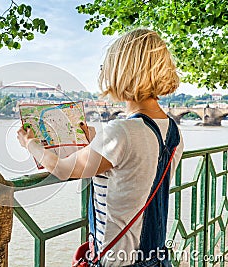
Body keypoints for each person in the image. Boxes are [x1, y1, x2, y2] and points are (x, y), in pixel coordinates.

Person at [17, 29, 184, 266]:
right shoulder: (174, 130)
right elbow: (137, 167)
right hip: (155, 257)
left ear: (122, 71)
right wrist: (98, 141)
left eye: (106, 67)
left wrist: (31, 145)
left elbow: (64, 169)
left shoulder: (121, 132)